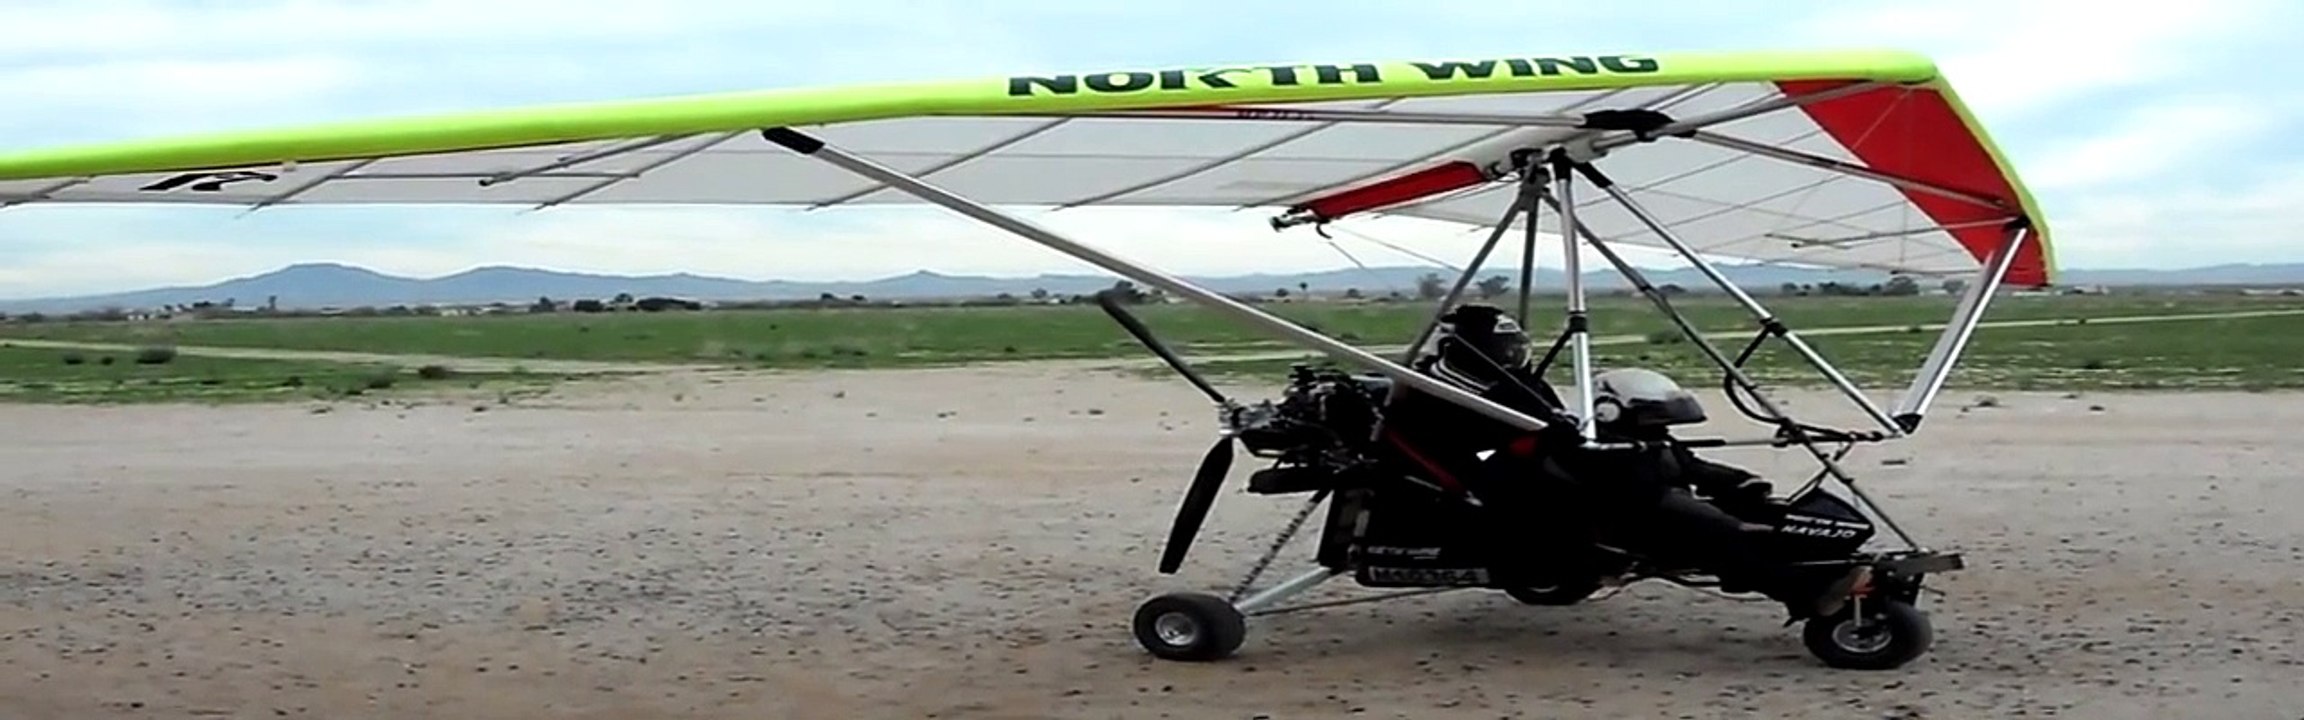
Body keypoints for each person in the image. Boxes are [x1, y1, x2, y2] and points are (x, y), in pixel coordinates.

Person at [1582, 366, 1871, 619]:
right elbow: (1648, 498)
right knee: (1734, 542)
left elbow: (1693, 468)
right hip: (1640, 526)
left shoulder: (1652, 441)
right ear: (1609, 411)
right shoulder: (1607, 452)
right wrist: (1728, 523)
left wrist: (1740, 482)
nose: (1661, 425)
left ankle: (1830, 563)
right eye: (1653, 417)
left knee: (1764, 513)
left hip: (1673, 512)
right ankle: (1808, 593)